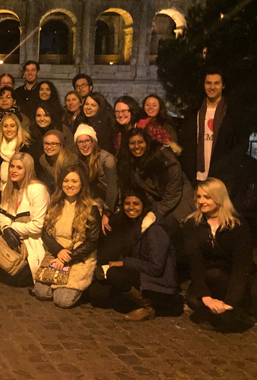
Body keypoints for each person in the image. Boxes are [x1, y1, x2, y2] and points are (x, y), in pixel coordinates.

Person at [183, 178, 257, 331]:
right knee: (193, 300)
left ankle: (237, 306)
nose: (201, 201)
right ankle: (216, 307)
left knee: (228, 313)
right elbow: (195, 263)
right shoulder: (192, 224)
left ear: (219, 198)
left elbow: (241, 267)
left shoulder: (237, 225)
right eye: (199, 196)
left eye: (207, 197)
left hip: (233, 277)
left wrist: (230, 302)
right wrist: (206, 297)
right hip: (210, 276)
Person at [89, 189, 180, 321]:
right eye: (127, 203)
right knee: (97, 294)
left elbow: (156, 268)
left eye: (136, 204)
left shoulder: (154, 230)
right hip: (140, 272)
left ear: (143, 205)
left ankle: (148, 306)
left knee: (115, 274)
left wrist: (125, 263)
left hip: (159, 281)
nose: (131, 208)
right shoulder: (130, 224)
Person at [34, 166, 100, 308]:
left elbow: (92, 241)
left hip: (78, 256)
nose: (70, 185)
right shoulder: (55, 204)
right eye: (66, 181)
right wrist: (58, 251)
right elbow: (45, 233)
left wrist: (68, 258)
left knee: (62, 300)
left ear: (81, 184)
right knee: (41, 293)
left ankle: (79, 289)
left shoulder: (91, 208)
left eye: (74, 181)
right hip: (56, 253)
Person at [179, 69, 249, 196]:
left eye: (216, 83)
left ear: (223, 85)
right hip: (195, 176)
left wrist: (226, 164)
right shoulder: (193, 111)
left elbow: (242, 143)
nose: (212, 87)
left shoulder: (233, 112)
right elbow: (185, 140)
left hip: (222, 175)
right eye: (208, 83)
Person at [118, 128, 194, 231]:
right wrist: (153, 210)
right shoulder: (131, 164)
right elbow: (147, 191)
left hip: (181, 202)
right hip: (161, 204)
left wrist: (156, 213)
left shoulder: (164, 157)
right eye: (132, 143)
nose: (136, 146)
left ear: (147, 142)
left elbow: (174, 191)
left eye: (140, 142)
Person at [0, 152, 50, 285]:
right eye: (12, 166)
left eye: (19, 168)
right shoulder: (10, 187)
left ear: (28, 169)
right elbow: (2, 214)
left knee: (15, 277)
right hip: (16, 239)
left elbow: (38, 225)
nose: (14, 171)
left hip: (33, 241)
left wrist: (12, 227)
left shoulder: (37, 189)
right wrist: (5, 228)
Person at [74, 124, 118, 234]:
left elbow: (113, 189)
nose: (84, 145)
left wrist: (107, 214)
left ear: (93, 141)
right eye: (80, 142)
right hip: (97, 202)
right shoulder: (81, 160)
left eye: (87, 141)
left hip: (113, 205)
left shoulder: (107, 159)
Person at [0, 113, 32, 192]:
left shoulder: (25, 145)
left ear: (17, 127)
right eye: (5, 126)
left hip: (22, 187)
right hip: (2, 187)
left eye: (12, 126)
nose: (9, 129)